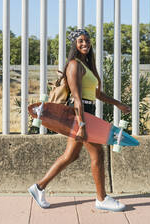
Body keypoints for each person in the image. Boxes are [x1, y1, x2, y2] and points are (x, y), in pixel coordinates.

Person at [28, 29, 131, 212]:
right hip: (79, 114)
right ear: (74, 44)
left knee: (71, 156)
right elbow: (76, 97)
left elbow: (96, 94)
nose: (85, 44)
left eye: (87, 41)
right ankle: (101, 199)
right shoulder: (74, 65)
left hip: (86, 112)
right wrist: (82, 124)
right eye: (81, 41)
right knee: (97, 153)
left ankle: (39, 187)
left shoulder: (86, 64)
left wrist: (118, 104)